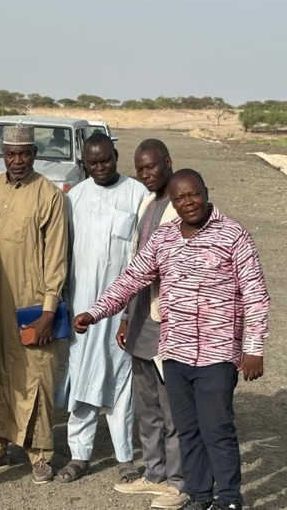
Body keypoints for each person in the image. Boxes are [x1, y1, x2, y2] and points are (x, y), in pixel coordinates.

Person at [74, 169, 270, 510]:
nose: (188, 203)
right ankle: (198, 496)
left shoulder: (234, 235)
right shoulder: (164, 239)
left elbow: (255, 295)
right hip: (175, 354)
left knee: (217, 429)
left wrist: (253, 349)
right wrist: (95, 312)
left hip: (217, 354)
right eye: (180, 198)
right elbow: (132, 279)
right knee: (187, 429)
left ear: (206, 192)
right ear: (173, 204)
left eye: (193, 195)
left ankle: (228, 499)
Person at [0, 124, 69, 484]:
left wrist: (49, 310)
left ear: (34, 154)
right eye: (11, 153)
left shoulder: (49, 195)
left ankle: (40, 456)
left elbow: (56, 257)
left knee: (35, 376)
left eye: (24, 153)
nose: (17, 160)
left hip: (31, 303)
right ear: (2, 154)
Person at [57, 134, 148, 485]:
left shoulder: (137, 195)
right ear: (84, 163)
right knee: (81, 377)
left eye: (106, 160)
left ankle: (125, 457)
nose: (100, 168)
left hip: (123, 310)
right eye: (93, 163)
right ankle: (79, 454)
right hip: (83, 310)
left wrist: (129, 310)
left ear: (116, 156)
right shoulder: (74, 198)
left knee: (121, 380)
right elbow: (63, 254)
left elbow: (142, 255)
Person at [113, 139, 187, 508]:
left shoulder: (182, 206)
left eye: (151, 168)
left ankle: (178, 481)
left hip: (169, 322)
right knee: (147, 406)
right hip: (142, 318)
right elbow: (135, 264)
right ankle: (154, 473)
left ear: (168, 163)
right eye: (140, 169)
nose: (144, 175)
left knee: (172, 405)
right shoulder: (148, 202)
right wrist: (126, 315)